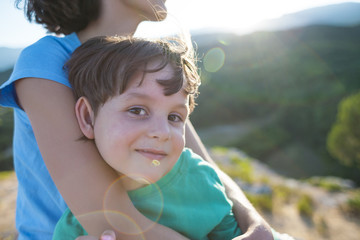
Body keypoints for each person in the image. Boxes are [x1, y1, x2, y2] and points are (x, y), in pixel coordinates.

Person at [0, 0, 273, 239]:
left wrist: (256, 224)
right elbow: (113, 224)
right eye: (136, 110)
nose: (160, 129)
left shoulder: (150, 70)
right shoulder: (45, 60)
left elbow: (208, 169)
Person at [52, 35, 243, 240]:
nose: (162, 132)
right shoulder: (76, 229)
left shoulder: (200, 178)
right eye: (137, 110)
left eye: (174, 117)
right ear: (88, 118)